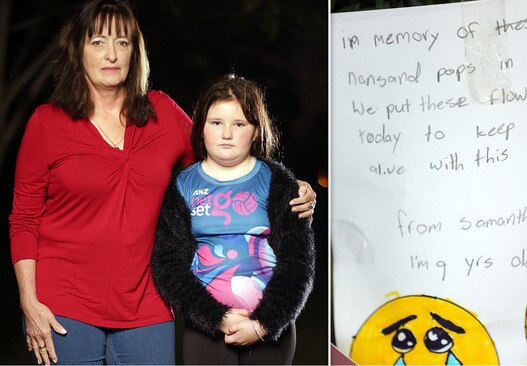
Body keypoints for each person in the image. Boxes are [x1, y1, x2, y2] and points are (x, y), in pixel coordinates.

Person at [8, 1, 316, 365]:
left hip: (147, 304)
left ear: (135, 53)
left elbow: (221, 157)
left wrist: (288, 188)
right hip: (65, 302)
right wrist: (29, 303)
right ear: (77, 50)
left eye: (123, 43)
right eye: (98, 42)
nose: (111, 54)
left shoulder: (163, 113)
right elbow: (24, 220)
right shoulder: (47, 123)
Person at [151, 74, 315, 365]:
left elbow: (298, 263)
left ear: (255, 131)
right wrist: (216, 318)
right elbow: (168, 265)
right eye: (216, 123)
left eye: (239, 124)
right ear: (200, 127)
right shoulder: (181, 186)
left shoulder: (279, 183)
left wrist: (264, 324)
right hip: (207, 331)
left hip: (270, 330)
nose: (226, 133)